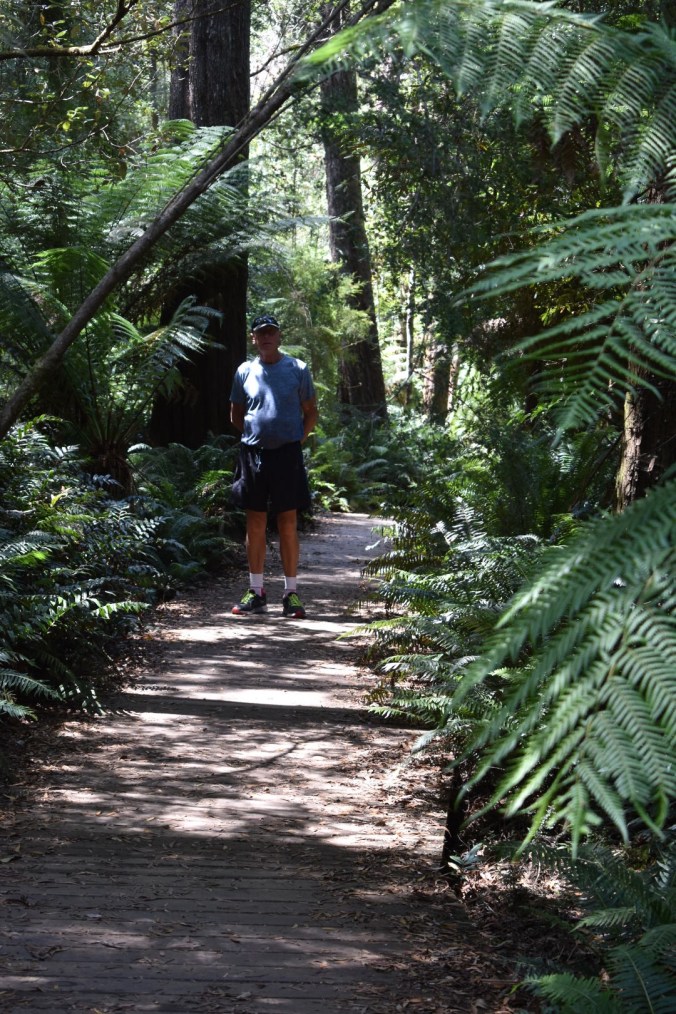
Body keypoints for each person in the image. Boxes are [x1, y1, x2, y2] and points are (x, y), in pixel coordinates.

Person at [229, 314, 318, 618]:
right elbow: (236, 414)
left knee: (287, 521)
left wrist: (296, 440)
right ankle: (256, 592)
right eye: (261, 333)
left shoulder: (298, 369)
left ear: (279, 336)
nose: (266, 337)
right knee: (255, 521)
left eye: (271, 332)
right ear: (253, 338)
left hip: (287, 454)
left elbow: (311, 411)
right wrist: (256, 436)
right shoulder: (244, 371)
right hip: (252, 454)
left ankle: (291, 594)